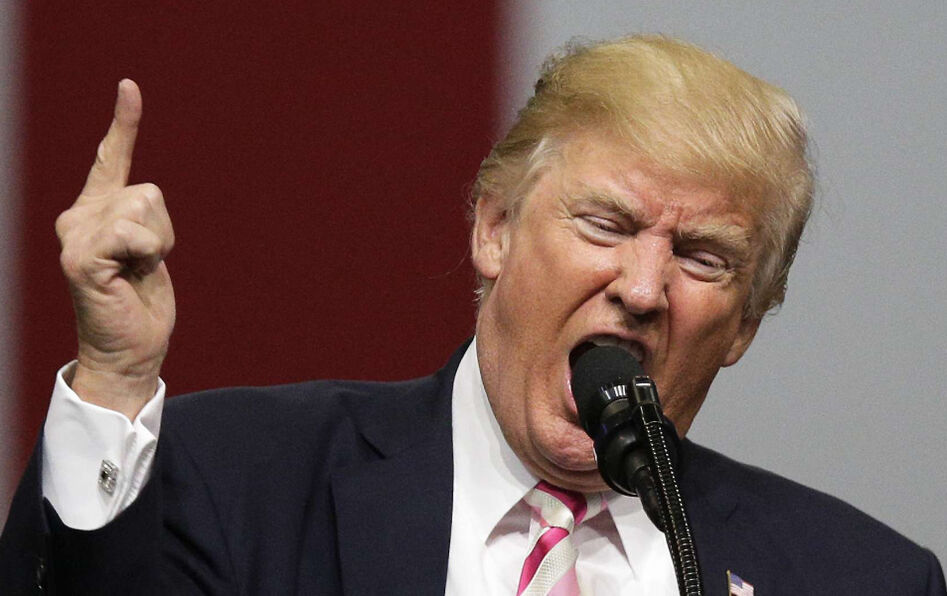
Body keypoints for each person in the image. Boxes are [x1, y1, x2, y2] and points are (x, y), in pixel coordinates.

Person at [1, 35, 943, 595]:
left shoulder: (860, 579)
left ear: (744, 325)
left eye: (702, 258)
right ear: (494, 229)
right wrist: (115, 380)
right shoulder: (232, 481)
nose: (643, 288)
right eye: (605, 224)